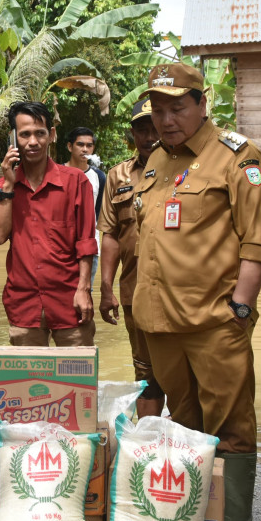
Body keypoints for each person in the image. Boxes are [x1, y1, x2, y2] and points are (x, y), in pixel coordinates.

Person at [131, 62, 261, 521]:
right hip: (159, 324)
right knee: (187, 422)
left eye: (177, 107)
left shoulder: (237, 157)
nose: (166, 118)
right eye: (158, 108)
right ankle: (196, 520)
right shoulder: (153, 161)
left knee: (231, 427)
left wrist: (241, 306)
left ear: (201, 103)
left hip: (216, 324)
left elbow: (258, 241)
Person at [0, 101, 98, 346]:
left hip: (70, 303)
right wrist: (8, 186)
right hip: (24, 306)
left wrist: (84, 290)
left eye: (40, 133)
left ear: (52, 135)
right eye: (25, 135)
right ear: (13, 139)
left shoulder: (76, 182)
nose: (33, 142)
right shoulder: (1, 188)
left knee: (77, 382)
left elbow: (86, 243)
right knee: (28, 383)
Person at [97, 99, 164, 418]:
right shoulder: (118, 175)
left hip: (182, 294)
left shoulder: (186, 169)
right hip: (135, 292)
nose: (150, 135)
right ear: (132, 134)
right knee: (146, 374)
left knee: (183, 376)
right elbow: (109, 235)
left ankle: (183, 451)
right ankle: (150, 442)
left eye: (155, 127)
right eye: (142, 129)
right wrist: (106, 288)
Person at [66, 126, 107, 215]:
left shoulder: (99, 176)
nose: (85, 149)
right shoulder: (58, 172)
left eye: (89, 146)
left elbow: (99, 211)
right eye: (80, 144)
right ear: (70, 147)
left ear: (93, 148)